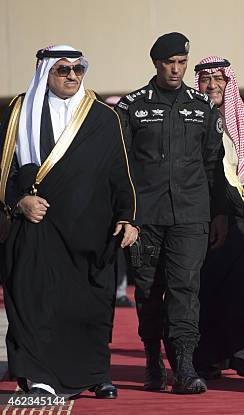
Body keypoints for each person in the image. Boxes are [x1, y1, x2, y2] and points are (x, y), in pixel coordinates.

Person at [0, 45, 138, 398]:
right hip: (37, 229)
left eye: (78, 70)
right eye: (64, 70)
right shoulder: (20, 112)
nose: (72, 76)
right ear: (46, 72)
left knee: (89, 307)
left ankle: (96, 373)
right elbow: (5, 172)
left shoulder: (102, 117)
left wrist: (128, 216)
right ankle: (40, 376)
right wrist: (20, 202)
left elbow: (120, 173)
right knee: (34, 303)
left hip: (91, 231)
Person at [115, 32, 226, 394]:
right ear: (156, 64)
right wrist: (126, 214)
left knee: (185, 289)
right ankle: (151, 358)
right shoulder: (131, 106)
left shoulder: (202, 106)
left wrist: (218, 212)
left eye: (182, 63)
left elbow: (213, 164)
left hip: (191, 215)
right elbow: (122, 167)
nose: (176, 70)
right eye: (169, 63)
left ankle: (184, 366)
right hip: (146, 218)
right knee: (149, 292)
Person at [192, 56, 244, 379]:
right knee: (210, 290)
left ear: (228, 81)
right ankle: (210, 357)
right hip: (206, 214)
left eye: (218, 79)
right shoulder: (194, 117)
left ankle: (241, 352)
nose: (212, 86)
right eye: (206, 80)